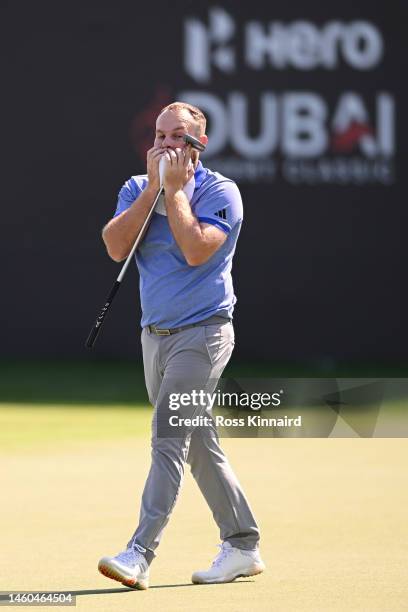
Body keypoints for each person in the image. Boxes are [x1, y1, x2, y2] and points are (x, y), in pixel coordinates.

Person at [97, 101, 264, 589]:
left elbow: (194, 250)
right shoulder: (136, 187)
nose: (164, 145)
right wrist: (153, 189)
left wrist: (173, 194)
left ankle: (139, 553)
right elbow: (114, 246)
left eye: (176, 137)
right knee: (199, 446)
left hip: (205, 334)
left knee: (168, 439)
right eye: (159, 135)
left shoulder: (220, 192)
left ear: (198, 145)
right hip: (155, 337)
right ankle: (242, 544)